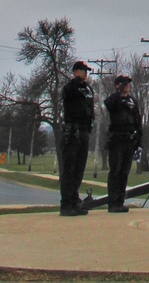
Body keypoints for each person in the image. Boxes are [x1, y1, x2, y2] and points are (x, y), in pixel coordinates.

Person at [59, 60, 94, 217]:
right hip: (72, 131)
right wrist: (76, 80)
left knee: (79, 169)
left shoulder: (88, 89)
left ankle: (75, 201)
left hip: (84, 130)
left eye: (86, 71)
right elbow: (67, 94)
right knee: (70, 168)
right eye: (83, 71)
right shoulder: (70, 87)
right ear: (76, 71)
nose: (85, 74)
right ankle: (66, 204)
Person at [104, 74, 143, 213]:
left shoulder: (132, 101)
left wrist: (139, 138)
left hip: (130, 140)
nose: (127, 86)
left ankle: (120, 201)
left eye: (128, 84)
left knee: (125, 171)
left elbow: (137, 119)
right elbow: (107, 104)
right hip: (117, 140)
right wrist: (118, 92)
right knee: (116, 170)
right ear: (118, 85)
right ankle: (113, 202)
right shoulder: (114, 100)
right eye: (124, 84)